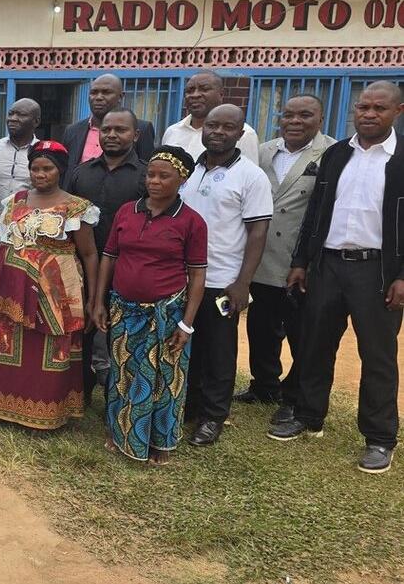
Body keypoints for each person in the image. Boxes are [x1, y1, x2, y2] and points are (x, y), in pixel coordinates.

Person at [269, 81, 404, 475]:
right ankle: (309, 415)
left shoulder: (400, 159)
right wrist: (301, 261)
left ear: (397, 112)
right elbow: (315, 212)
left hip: (378, 271)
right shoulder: (336, 153)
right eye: (363, 107)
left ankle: (379, 438)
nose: (369, 114)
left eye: (379, 108)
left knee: (377, 355)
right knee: (315, 344)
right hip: (327, 265)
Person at [91, 146, 208, 464]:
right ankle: (121, 433)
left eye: (163, 176)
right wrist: (100, 301)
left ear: (182, 179)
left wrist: (186, 323)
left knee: (163, 379)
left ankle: (159, 442)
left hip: (166, 315)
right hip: (124, 310)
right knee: (124, 374)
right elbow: (109, 257)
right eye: (150, 175)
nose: (154, 181)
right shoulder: (127, 212)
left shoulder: (191, 221)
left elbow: (198, 275)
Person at [0, 140, 99, 430]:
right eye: (35, 168)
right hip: (13, 287)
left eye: (47, 169)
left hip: (56, 290)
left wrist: (93, 299)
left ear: (61, 170)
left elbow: (90, 254)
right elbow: (6, 236)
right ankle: (5, 408)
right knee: (9, 342)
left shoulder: (76, 207)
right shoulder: (15, 200)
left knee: (51, 346)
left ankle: (48, 413)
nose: (40, 174)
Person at [235, 95, 336, 424]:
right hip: (261, 259)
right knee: (261, 327)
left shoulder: (332, 153)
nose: (295, 121)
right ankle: (264, 385)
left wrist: (305, 261)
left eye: (305, 115)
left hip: (300, 262)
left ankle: (295, 397)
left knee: (302, 333)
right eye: (288, 114)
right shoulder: (264, 151)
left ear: (320, 119)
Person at [179, 104, 272, 447]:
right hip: (182, 278)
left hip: (222, 279)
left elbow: (258, 232)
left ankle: (213, 416)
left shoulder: (251, 176)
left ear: (240, 132)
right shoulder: (189, 169)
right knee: (188, 347)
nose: (217, 131)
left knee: (219, 351)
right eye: (212, 125)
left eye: (227, 127)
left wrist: (242, 283)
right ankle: (188, 406)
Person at [67, 108, 148, 405]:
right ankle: (81, 392)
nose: (112, 135)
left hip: (126, 269)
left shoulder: (146, 176)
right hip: (82, 266)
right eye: (106, 130)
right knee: (82, 331)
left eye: (120, 130)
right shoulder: (81, 173)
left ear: (135, 135)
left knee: (121, 337)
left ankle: (118, 399)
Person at [62, 74, 157, 172]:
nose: (98, 97)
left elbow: (148, 170)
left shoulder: (141, 128)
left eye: (106, 92)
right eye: (94, 92)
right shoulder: (72, 131)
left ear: (120, 97)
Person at [162, 71, 259, 163]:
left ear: (221, 94)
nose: (195, 95)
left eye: (204, 89)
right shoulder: (172, 131)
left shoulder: (243, 134)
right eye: (189, 91)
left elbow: (249, 173)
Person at [0, 98, 41, 214]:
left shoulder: (42, 152)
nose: (13, 119)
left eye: (21, 115)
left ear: (36, 122)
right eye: (11, 114)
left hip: (27, 221)